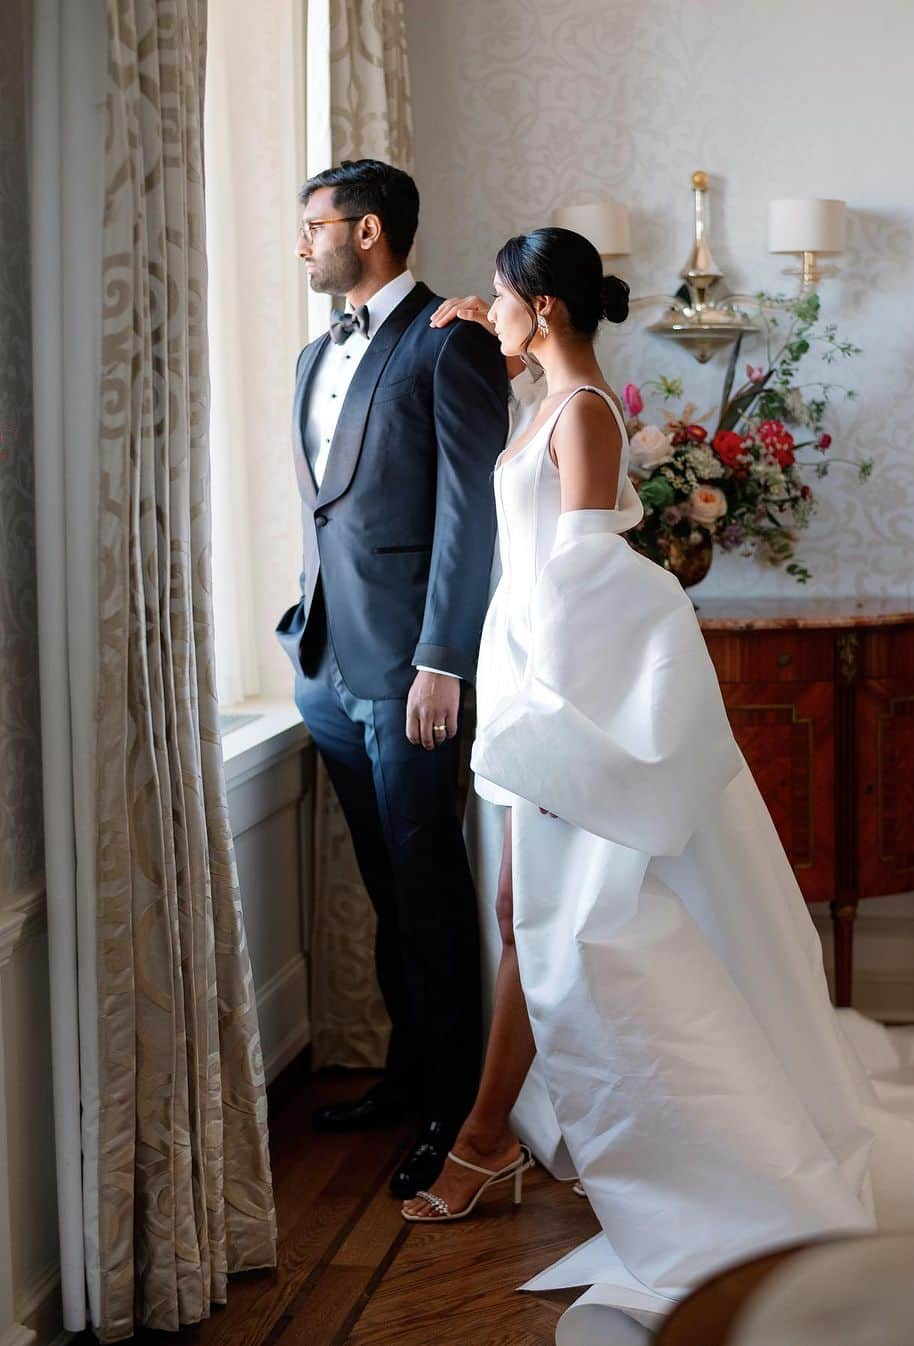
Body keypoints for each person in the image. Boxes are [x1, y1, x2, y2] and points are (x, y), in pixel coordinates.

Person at [402, 230, 914, 1331]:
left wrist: (553, 726)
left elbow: (577, 581)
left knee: (543, 921)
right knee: (523, 914)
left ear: (547, 306)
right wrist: (483, 331)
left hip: (566, 698)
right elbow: (538, 547)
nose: (490, 308)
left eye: (501, 296)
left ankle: (495, 1138)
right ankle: (505, 1136)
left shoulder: (583, 415)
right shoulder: (550, 398)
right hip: (534, 686)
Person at [276, 159, 508, 1200]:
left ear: (366, 231)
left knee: (429, 893)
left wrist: (442, 660)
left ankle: (460, 1116)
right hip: (327, 669)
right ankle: (409, 1077)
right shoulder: (312, 355)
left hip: (412, 678)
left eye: (313, 225)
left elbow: (472, 513)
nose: (303, 243)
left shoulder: (448, 341)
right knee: (384, 892)